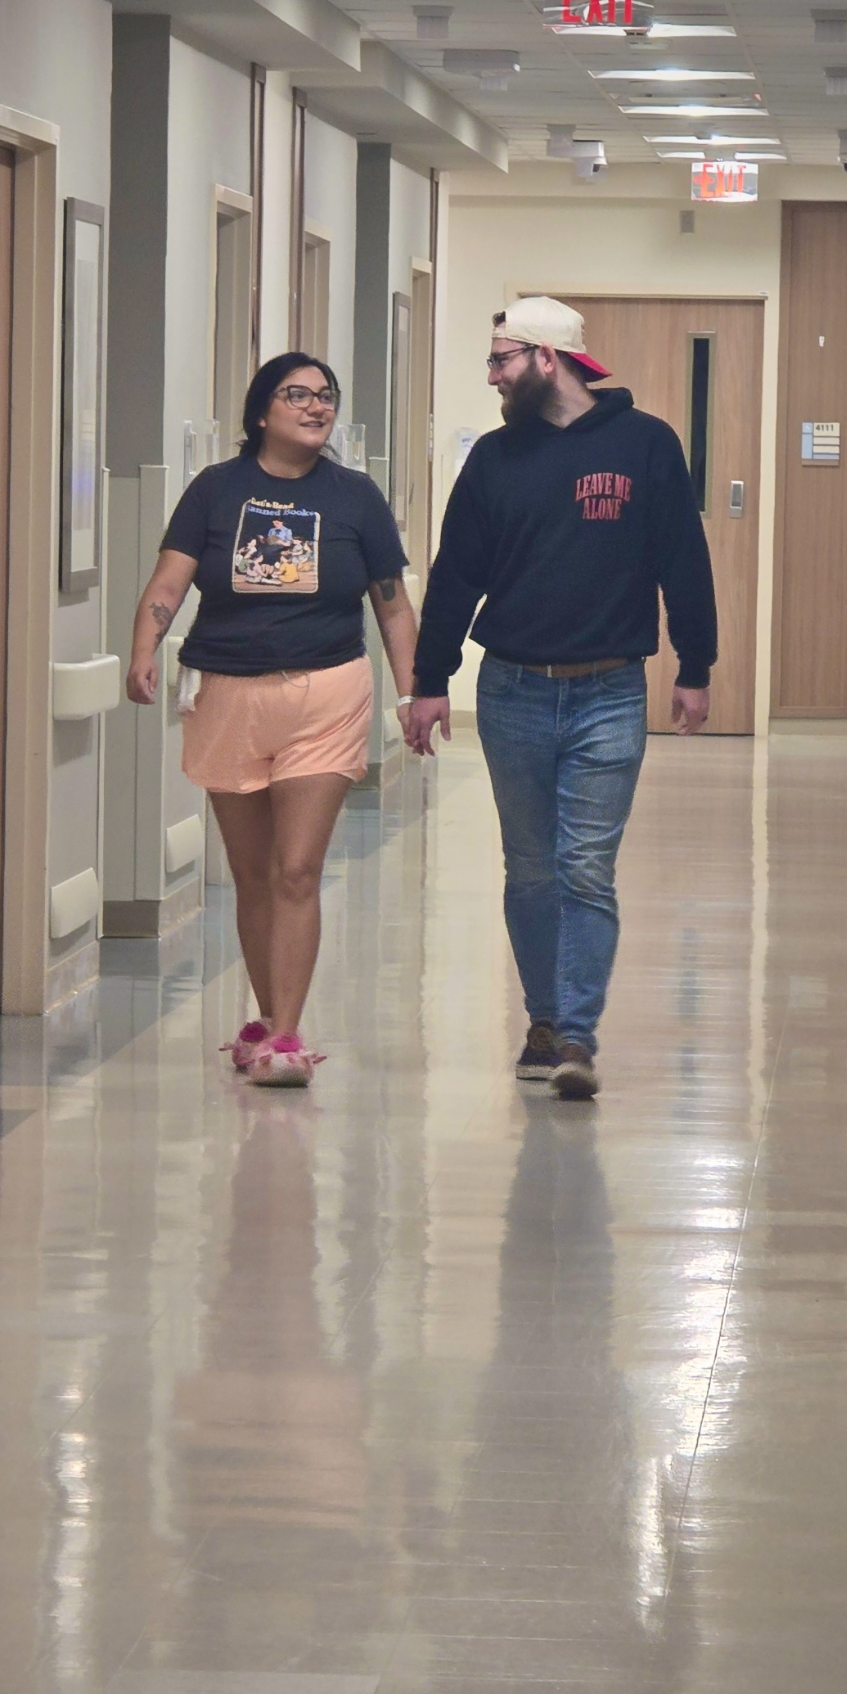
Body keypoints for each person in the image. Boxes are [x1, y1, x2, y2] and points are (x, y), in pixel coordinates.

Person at [404, 296, 716, 1102]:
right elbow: (455, 574)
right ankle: (542, 1019)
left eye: (500, 359)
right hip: (511, 689)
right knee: (532, 869)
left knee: (584, 867)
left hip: (609, 691)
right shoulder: (493, 459)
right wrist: (429, 681)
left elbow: (682, 556)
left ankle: (576, 1034)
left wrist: (695, 664)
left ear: (547, 359)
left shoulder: (645, 444)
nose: (491, 376)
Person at [126, 353, 417, 1088]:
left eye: (326, 396)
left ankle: (286, 1035)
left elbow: (391, 605)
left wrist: (412, 694)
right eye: (298, 395)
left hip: (327, 690)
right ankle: (262, 1019)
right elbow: (169, 580)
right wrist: (143, 650)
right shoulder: (216, 489)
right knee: (252, 874)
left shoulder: (355, 497)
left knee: (296, 869)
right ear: (261, 412)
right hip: (228, 693)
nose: (317, 407)